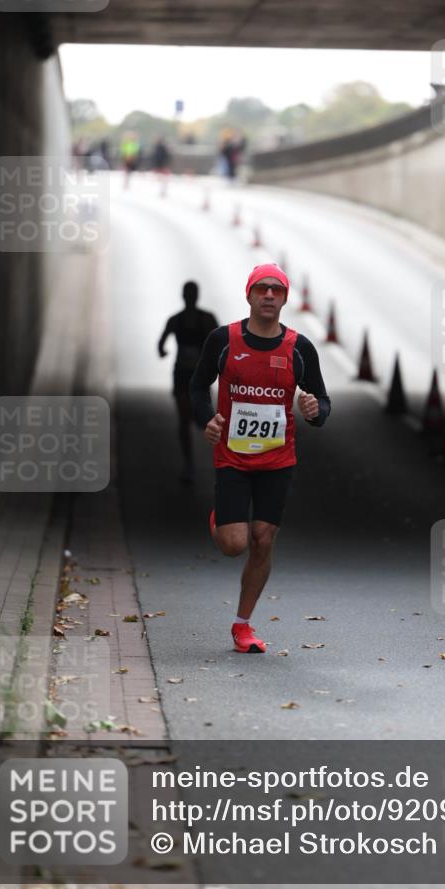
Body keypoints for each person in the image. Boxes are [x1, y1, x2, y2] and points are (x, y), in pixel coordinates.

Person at [189, 263, 331, 653]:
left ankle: (243, 626)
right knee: (234, 544)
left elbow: (323, 400)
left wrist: (314, 410)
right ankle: (221, 518)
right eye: (262, 288)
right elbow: (198, 386)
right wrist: (207, 419)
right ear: (249, 295)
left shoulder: (300, 348)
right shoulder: (223, 339)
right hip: (232, 457)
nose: (269, 295)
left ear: (285, 299)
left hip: (277, 460)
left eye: (277, 290)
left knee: (263, 539)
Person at [158, 282, 218, 481]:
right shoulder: (179, 320)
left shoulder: (199, 320)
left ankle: (198, 463)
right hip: (184, 377)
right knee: (186, 419)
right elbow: (161, 345)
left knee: (201, 421)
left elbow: (221, 342)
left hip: (199, 378)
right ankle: (189, 464)